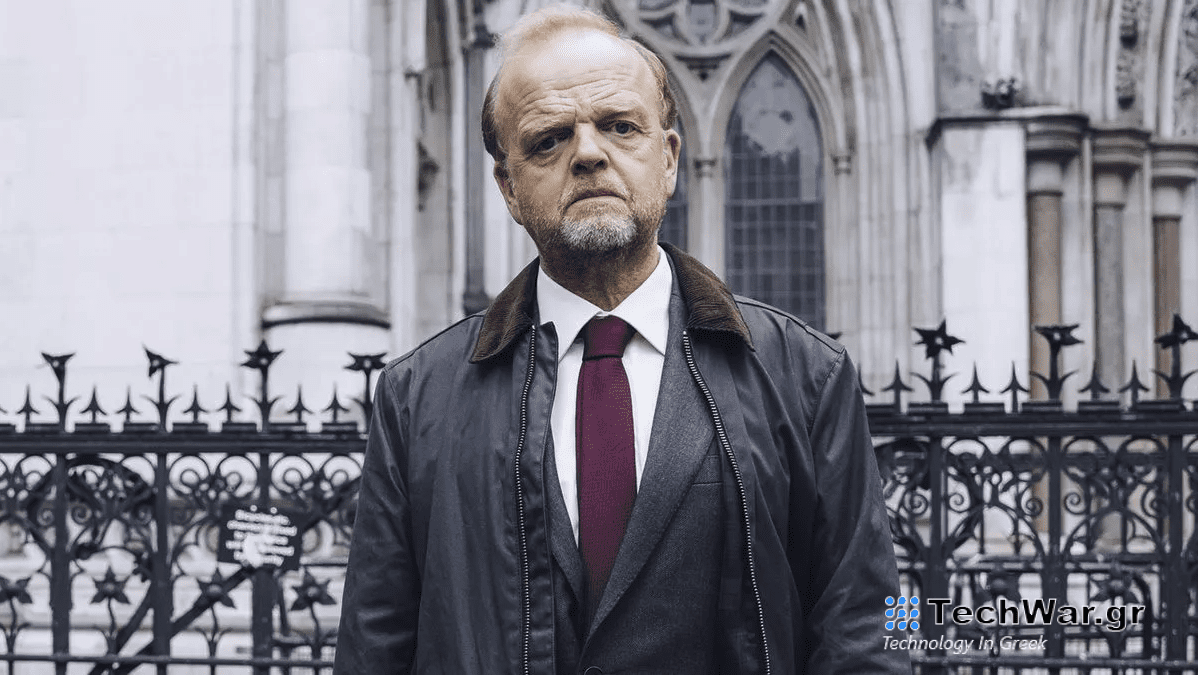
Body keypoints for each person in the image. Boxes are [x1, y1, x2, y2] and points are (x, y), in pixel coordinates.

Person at [334, 5, 908, 673]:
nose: (587, 152)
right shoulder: (416, 399)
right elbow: (373, 647)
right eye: (548, 139)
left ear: (666, 159)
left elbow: (868, 626)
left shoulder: (805, 376)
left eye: (619, 126)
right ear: (509, 187)